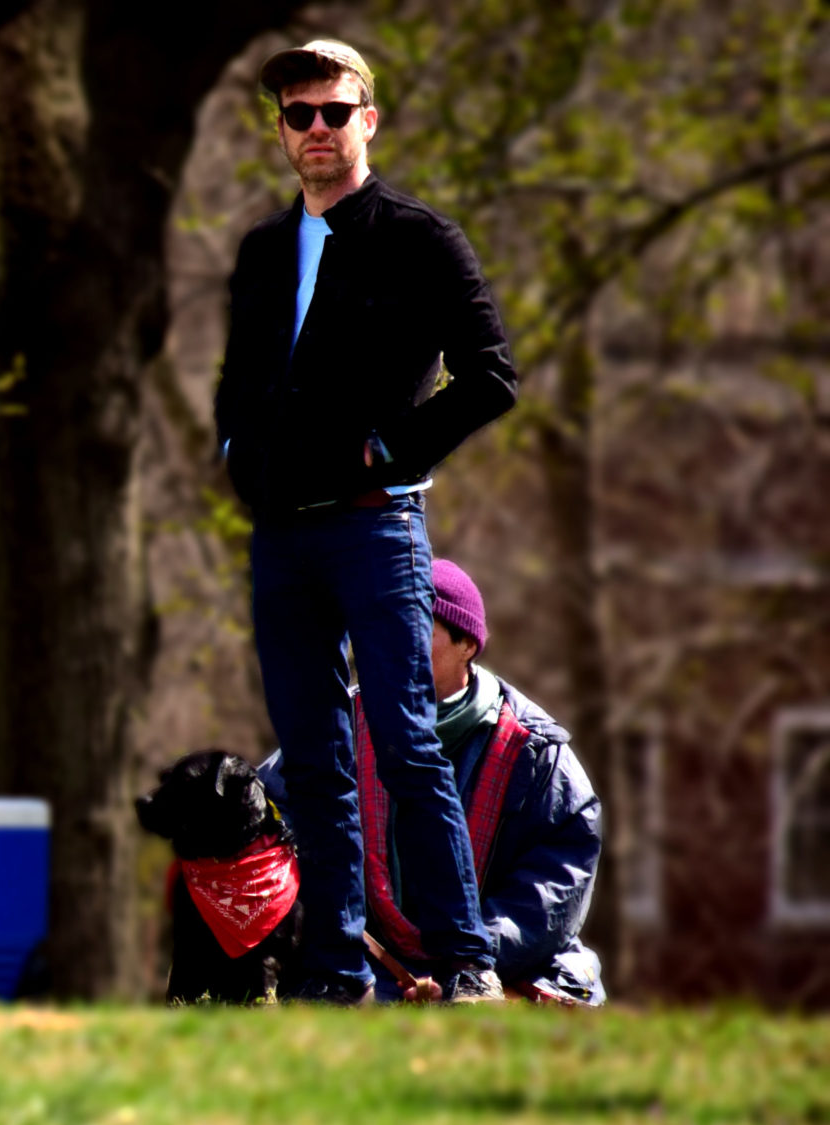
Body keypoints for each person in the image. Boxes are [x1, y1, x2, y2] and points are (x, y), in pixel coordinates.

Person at [214, 39, 520, 1003]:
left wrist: (393, 451)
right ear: (280, 131)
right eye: (297, 114)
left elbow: (491, 377)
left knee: (404, 738)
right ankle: (332, 971)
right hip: (281, 536)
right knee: (312, 758)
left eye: (333, 112)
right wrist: (237, 460)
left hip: (376, 529)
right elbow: (235, 383)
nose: (315, 130)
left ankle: (463, 959)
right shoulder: (264, 249)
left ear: (368, 122)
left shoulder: (422, 238)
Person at [262, 560, 607, 1004]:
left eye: (415, 631)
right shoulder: (337, 728)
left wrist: (475, 960)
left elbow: (558, 877)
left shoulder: (536, 753)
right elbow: (272, 821)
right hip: (365, 966)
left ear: (467, 644)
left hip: (498, 964)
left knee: (555, 992)